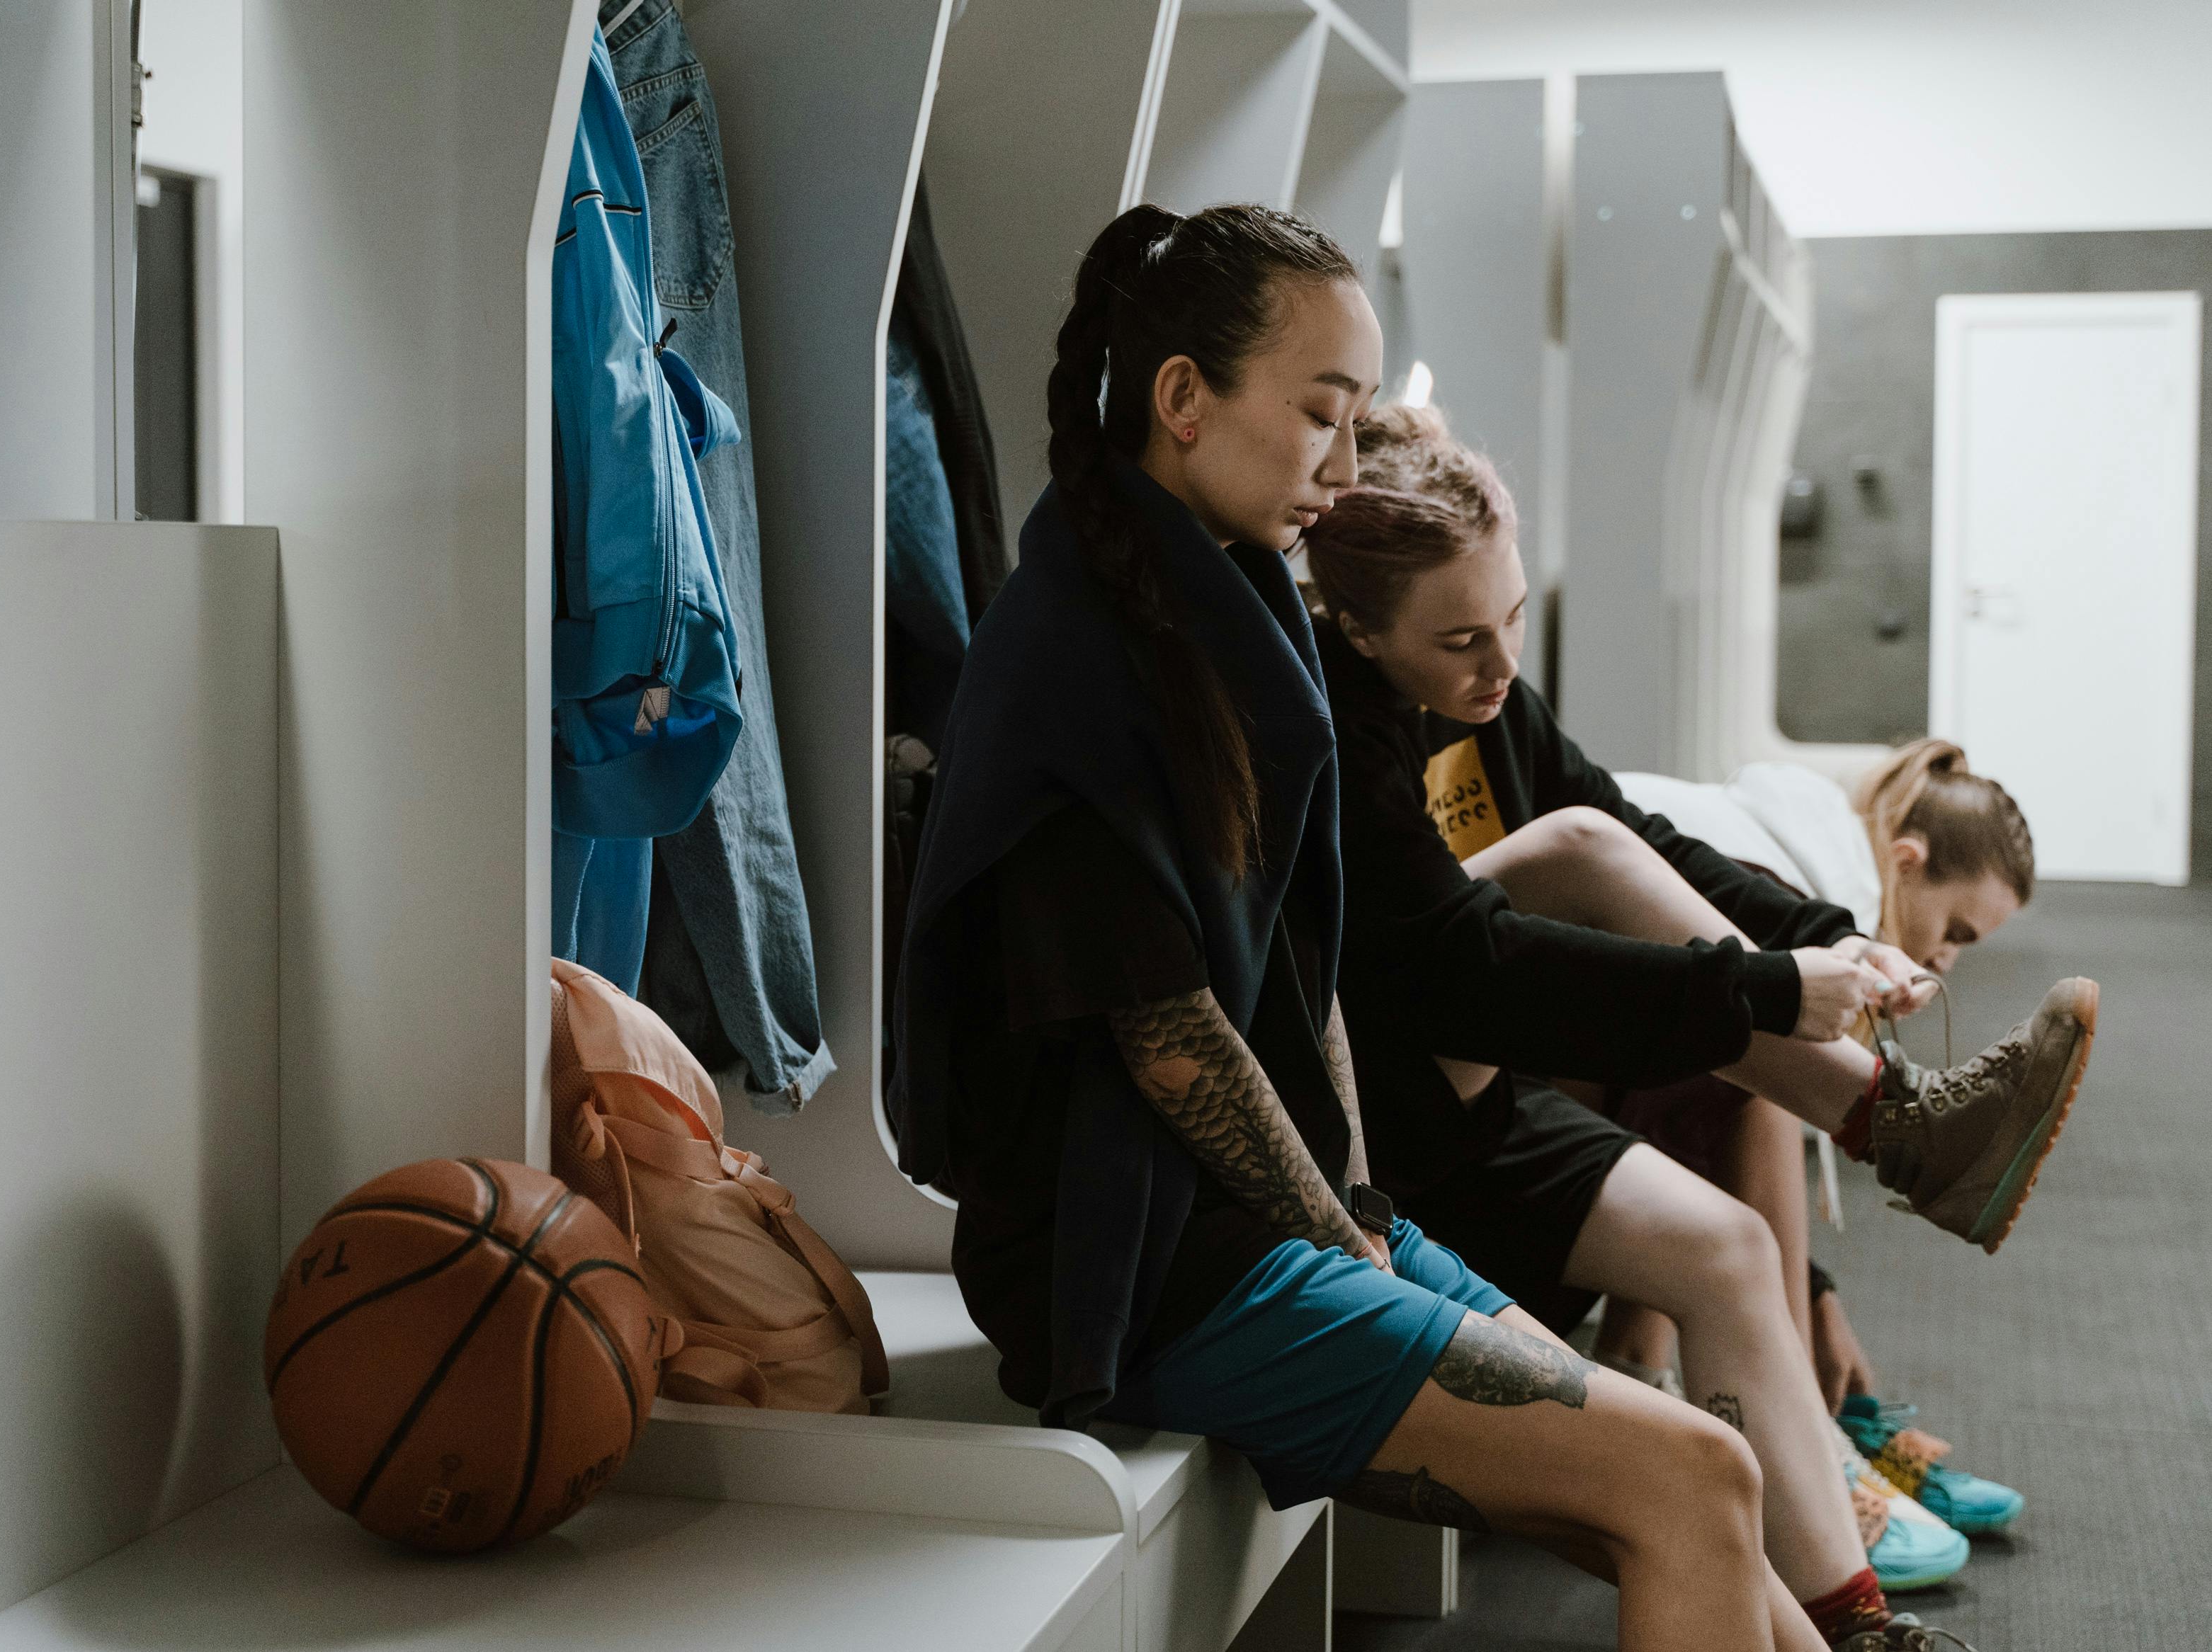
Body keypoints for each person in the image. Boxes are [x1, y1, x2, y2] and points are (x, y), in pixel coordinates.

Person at [888, 204, 1866, 1651]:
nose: (1344, 471)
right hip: (1159, 1270)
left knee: (1698, 1479)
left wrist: (1359, 1200)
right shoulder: (1077, 665)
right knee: (1691, 1469)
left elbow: (1302, 974)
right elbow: (1169, 1041)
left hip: (1284, 1224)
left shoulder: (1215, 610)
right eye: (1321, 418)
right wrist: (1346, 1236)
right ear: (1181, 401)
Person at [1303, 404, 2093, 1644]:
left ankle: (1864, 1625)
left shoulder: (1487, 698)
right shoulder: (1334, 734)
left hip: (1484, 1107)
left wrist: (1829, 935)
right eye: (1458, 640)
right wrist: (1766, 991)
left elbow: (1648, 839)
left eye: (1511, 618)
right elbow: (1467, 971)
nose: (1498, 664)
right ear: (1355, 628)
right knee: (1577, 849)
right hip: (1377, 1135)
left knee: (1724, 1250)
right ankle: (1896, 1125)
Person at [1596, 744, 2038, 1538]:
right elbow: (1672, 1119)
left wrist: (1811, 1288)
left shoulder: (1782, 854)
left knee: (1758, 1083)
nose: (1947, 958)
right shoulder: (1776, 886)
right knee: (1760, 1071)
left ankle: (1805, 1427)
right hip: (1534, 1061)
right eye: (1954, 928)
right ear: (1903, 861)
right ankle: (1802, 1447)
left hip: (1592, 1067)